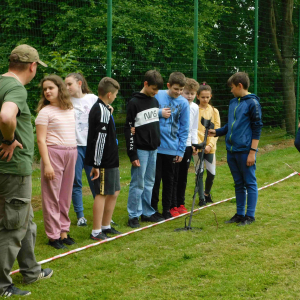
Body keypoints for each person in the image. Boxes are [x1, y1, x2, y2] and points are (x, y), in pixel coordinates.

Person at [0, 44, 53, 297]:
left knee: (26, 221)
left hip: (8, 170)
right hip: (12, 169)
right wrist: (9, 140)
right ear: (32, 66)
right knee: (12, 226)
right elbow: (6, 117)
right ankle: (2, 285)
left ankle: (31, 271)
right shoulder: (16, 88)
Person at [209, 72, 263, 226]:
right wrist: (218, 132)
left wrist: (252, 152)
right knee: (238, 183)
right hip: (231, 151)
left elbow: (257, 128)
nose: (231, 90)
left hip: (245, 151)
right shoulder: (233, 102)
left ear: (240, 86)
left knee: (250, 182)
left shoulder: (253, 103)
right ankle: (240, 214)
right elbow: (231, 124)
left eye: (232, 87)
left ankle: (250, 216)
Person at [35, 75, 77, 249]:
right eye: (45, 89)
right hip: (54, 154)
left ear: (60, 88)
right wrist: (47, 164)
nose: (47, 91)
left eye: (51, 88)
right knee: (52, 196)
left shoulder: (70, 108)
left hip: (71, 152)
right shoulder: (45, 112)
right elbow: (41, 140)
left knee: (65, 195)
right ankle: (53, 236)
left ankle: (63, 232)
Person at [124, 70, 165, 228]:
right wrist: (132, 153)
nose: (155, 93)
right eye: (153, 89)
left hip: (153, 148)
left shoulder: (154, 102)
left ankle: (147, 212)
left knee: (150, 182)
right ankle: (133, 215)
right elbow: (129, 129)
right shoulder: (134, 102)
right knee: (138, 183)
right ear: (145, 84)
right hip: (140, 150)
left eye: (157, 90)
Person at [85, 77, 122, 240]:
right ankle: (96, 231)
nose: (115, 97)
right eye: (114, 95)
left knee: (114, 191)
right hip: (103, 161)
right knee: (101, 193)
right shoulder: (100, 111)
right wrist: (96, 164)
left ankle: (106, 226)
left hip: (112, 159)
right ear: (109, 94)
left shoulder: (104, 109)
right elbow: (99, 139)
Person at [151, 72, 190, 219]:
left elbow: (184, 128)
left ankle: (167, 209)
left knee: (169, 181)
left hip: (172, 148)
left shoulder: (184, 103)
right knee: (154, 180)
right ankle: (152, 209)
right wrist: (160, 113)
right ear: (168, 85)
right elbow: (146, 113)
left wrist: (180, 151)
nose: (178, 92)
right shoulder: (158, 95)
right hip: (155, 147)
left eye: (181, 90)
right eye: (176, 89)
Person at [65, 73, 98, 227]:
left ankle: (102, 213)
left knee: (95, 180)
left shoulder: (92, 98)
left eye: (69, 84)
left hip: (92, 147)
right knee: (76, 181)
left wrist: (109, 108)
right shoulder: (65, 101)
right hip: (74, 147)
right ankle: (80, 216)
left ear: (79, 83)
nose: (66, 87)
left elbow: (105, 111)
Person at [170, 78, 199, 215]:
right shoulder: (176, 104)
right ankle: (172, 204)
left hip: (187, 146)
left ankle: (181, 203)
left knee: (183, 176)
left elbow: (194, 128)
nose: (189, 96)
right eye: (187, 93)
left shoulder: (195, 107)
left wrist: (194, 143)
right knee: (173, 176)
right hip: (175, 145)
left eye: (192, 93)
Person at [195, 82, 220, 206]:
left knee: (211, 172)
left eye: (207, 97)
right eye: (202, 97)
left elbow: (217, 129)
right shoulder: (194, 110)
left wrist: (209, 144)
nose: (205, 99)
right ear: (197, 96)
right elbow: (193, 129)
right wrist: (199, 144)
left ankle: (206, 193)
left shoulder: (214, 111)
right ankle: (201, 199)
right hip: (198, 147)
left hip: (210, 148)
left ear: (211, 96)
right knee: (199, 172)